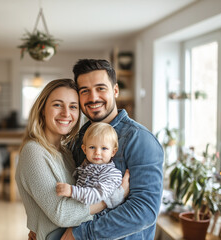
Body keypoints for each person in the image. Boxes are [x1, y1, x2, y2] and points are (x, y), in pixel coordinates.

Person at [57, 59, 164, 240]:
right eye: (85, 91)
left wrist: (81, 234)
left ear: (115, 90)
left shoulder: (139, 140)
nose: (93, 97)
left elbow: (144, 211)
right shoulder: (78, 137)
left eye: (101, 88)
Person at [15, 79, 129, 240]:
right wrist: (112, 198)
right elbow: (62, 215)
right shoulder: (33, 151)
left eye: (73, 107)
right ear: (42, 109)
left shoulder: (66, 151)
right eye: (57, 105)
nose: (66, 113)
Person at [56, 122, 125, 209]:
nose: (97, 153)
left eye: (104, 148)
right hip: (80, 212)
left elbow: (97, 196)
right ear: (84, 149)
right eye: (92, 147)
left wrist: (72, 191)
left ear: (113, 152)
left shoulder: (111, 173)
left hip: (99, 217)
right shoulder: (84, 168)